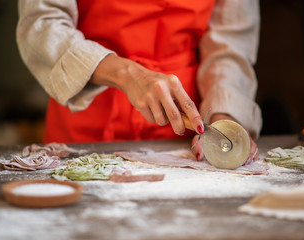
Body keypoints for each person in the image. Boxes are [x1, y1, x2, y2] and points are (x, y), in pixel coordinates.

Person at [16, 0, 262, 163]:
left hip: (184, 134)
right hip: (85, 121)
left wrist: (223, 114)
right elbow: (42, 24)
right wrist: (126, 73)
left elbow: (229, 43)